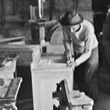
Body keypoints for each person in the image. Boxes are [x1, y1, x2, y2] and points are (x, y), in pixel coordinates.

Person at [60, 9, 99, 101]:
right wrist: (68, 50)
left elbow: (87, 52)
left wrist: (76, 62)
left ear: (79, 24)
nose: (71, 30)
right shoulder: (65, 26)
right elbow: (66, 40)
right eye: (69, 28)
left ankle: (91, 102)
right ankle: (82, 101)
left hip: (91, 49)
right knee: (79, 76)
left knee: (89, 76)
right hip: (77, 49)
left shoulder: (88, 28)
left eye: (73, 28)